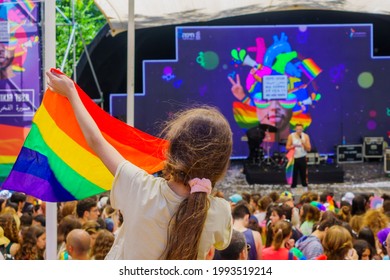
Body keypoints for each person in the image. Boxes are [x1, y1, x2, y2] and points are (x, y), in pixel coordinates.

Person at [46, 70, 233, 260]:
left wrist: (71, 92)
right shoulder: (220, 213)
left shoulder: (140, 188)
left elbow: (96, 140)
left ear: (173, 148)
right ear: (220, 165)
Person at [286, 123, 311, 192]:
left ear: (302, 129)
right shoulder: (291, 136)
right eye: (297, 129)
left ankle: (305, 189)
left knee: (303, 174)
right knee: (294, 175)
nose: (299, 131)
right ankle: (293, 190)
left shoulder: (305, 136)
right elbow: (287, 147)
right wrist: (292, 146)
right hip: (294, 158)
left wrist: (304, 143)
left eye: (300, 129)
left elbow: (309, 148)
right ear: (295, 129)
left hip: (302, 157)